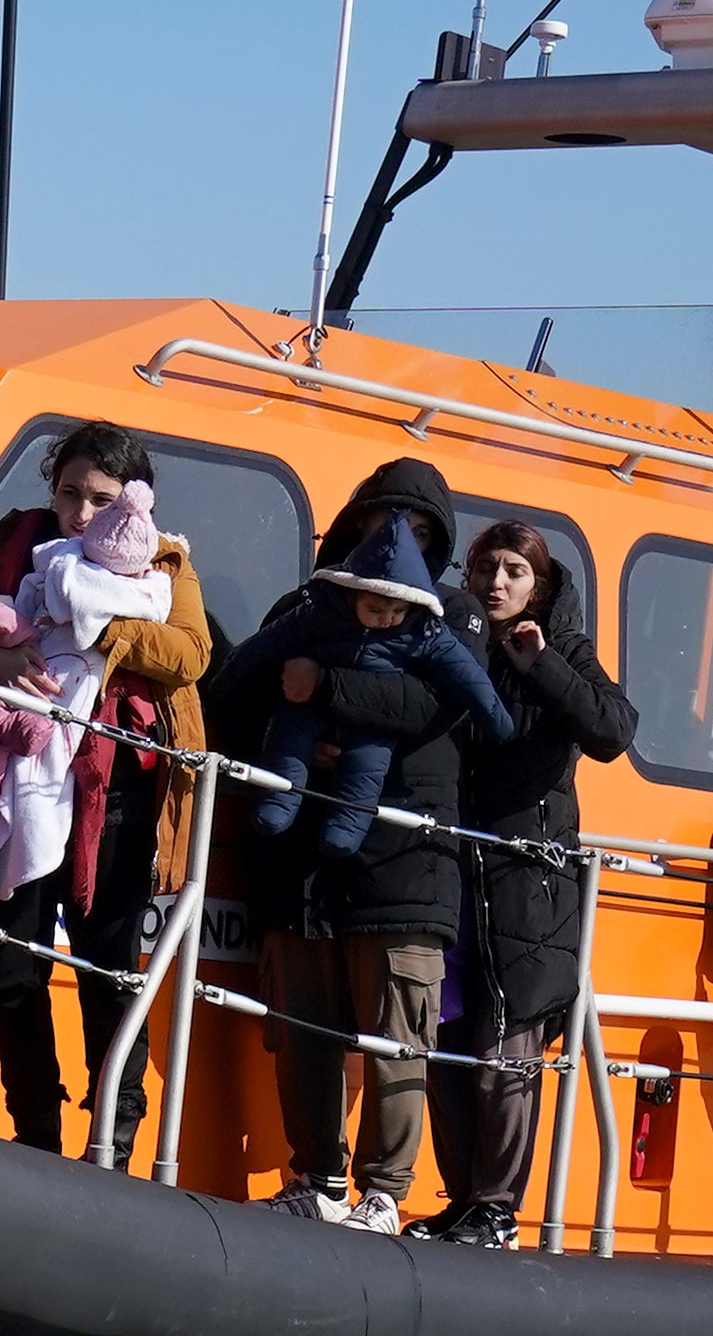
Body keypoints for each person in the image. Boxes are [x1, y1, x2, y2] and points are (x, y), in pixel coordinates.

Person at [217, 456, 522, 1231]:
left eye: (419, 528)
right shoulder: (305, 605)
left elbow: (432, 704)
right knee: (304, 1027)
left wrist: (323, 689)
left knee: (398, 1035)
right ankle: (314, 1179)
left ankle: (385, 1193)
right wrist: (285, 741)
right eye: (382, 521)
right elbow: (242, 688)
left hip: (405, 860)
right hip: (304, 863)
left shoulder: (453, 617)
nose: (398, 537)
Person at [0, 424, 215, 1157]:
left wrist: (95, 619)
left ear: (132, 504)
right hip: (4, 783)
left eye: (100, 499)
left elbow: (190, 653)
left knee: (109, 975)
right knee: (10, 967)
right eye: (70, 492)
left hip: (118, 797)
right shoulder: (14, 539)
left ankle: (115, 1145)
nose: (80, 512)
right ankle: (34, 1137)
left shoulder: (166, 560)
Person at [426, 518, 637, 1244]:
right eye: (486, 566)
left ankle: (498, 1208)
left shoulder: (564, 649)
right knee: (447, 1049)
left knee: (504, 1054)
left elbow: (614, 730)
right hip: (455, 873)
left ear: (539, 584)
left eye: (514, 570)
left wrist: (541, 664)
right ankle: (462, 1201)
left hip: (531, 887)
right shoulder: (455, 639)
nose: (495, 582)